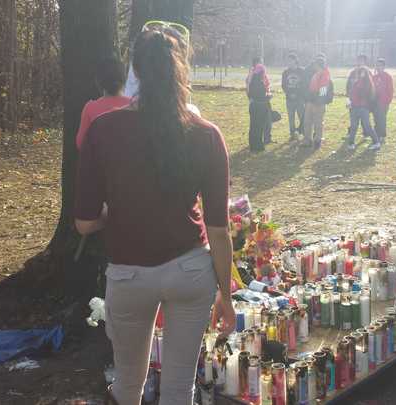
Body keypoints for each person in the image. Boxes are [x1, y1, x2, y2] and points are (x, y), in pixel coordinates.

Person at [74, 29, 235, 405]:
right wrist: (226, 295)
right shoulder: (207, 135)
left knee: (128, 385)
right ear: (181, 70)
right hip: (190, 272)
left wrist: (114, 212)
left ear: (137, 72)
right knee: (179, 389)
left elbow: (84, 223)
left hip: (129, 274)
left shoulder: (102, 129)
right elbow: (219, 230)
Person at [76, 56, 131, 150]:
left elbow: (80, 143)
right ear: (124, 79)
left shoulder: (90, 108)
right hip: (130, 162)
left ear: (99, 81)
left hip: (100, 162)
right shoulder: (134, 105)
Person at [345, 65, 379, 151]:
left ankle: (376, 142)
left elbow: (366, 95)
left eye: (362, 72)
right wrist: (349, 101)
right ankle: (351, 143)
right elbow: (351, 93)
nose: (360, 74)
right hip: (354, 108)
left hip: (363, 108)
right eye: (359, 72)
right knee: (353, 126)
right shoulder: (356, 83)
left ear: (366, 73)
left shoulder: (367, 84)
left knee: (367, 126)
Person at [302, 54, 332, 149]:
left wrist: (318, 101)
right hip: (310, 101)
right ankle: (307, 140)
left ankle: (317, 140)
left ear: (319, 65)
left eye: (315, 64)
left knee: (318, 123)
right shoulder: (316, 73)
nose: (313, 66)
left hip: (318, 103)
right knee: (307, 121)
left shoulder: (324, 75)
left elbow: (323, 90)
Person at [246, 58, 273, 152]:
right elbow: (262, 96)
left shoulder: (252, 81)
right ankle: (258, 146)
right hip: (260, 107)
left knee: (253, 126)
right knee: (259, 127)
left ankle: (253, 145)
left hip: (253, 106)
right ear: (261, 72)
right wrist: (269, 96)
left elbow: (249, 94)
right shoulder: (259, 83)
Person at [281, 53, 307, 141]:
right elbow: (283, 85)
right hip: (289, 99)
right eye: (287, 60)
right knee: (291, 118)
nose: (288, 62)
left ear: (295, 61)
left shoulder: (302, 71)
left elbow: (304, 85)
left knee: (302, 117)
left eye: (290, 60)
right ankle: (292, 134)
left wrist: (298, 94)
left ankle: (303, 134)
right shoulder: (285, 72)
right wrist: (289, 93)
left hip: (300, 99)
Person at [372, 57, 395, 146]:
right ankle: (376, 134)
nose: (378, 67)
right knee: (376, 118)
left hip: (383, 102)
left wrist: (387, 101)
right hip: (374, 102)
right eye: (376, 65)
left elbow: (391, 90)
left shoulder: (387, 77)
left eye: (379, 65)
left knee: (381, 119)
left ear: (383, 66)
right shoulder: (374, 77)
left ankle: (382, 135)